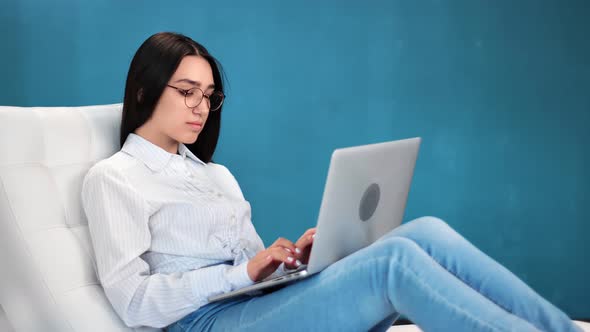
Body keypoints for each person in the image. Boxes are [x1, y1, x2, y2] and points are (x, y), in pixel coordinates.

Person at [81, 32, 581, 332]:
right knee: (395, 263)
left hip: (253, 308)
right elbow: (133, 302)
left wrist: (291, 261)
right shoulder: (115, 179)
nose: (200, 106)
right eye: (187, 91)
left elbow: (252, 269)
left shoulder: (214, 175)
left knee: (420, 231)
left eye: (209, 95)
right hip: (208, 325)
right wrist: (243, 275)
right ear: (145, 90)